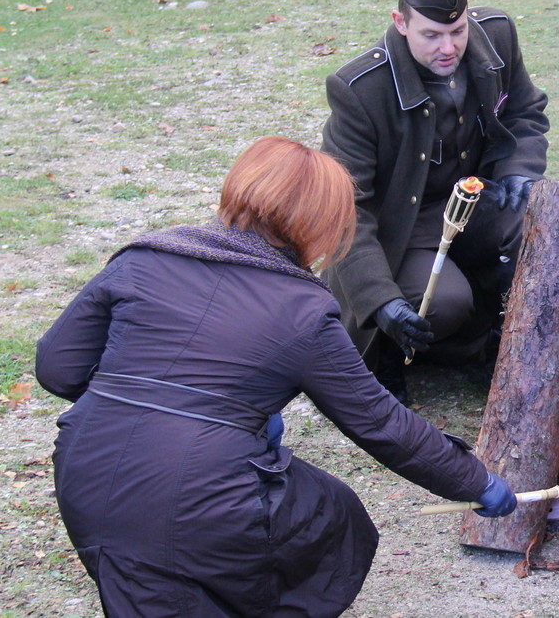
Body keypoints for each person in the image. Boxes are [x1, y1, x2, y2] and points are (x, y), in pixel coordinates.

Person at [36, 136, 518, 618]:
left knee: (153, 578)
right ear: (322, 224)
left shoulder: (144, 258)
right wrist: (475, 482)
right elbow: (381, 423)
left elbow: (58, 369)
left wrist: (151, 393)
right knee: (331, 513)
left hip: (85, 474)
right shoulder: (302, 310)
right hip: (200, 496)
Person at [322, 0, 550, 403]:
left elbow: (525, 111)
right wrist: (380, 302)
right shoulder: (359, 91)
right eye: (431, 35)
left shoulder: (497, 35)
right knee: (443, 305)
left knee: (541, 232)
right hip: (401, 229)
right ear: (400, 22)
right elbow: (344, 211)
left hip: (476, 202)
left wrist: (519, 172)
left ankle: (502, 347)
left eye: (458, 30)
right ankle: (391, 350)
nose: (449, 48)